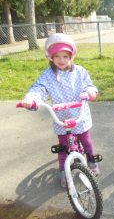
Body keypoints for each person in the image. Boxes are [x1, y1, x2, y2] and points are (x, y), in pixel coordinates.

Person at [21, 33, 100, 187]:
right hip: (62, 120)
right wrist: (32, 98)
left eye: (65, 56)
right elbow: (39, 88)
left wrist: (91, 91)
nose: (61, 60)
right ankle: (63, 171)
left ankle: (92, 162)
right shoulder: (48, 75)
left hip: (79, 116)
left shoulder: (80, 72)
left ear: (72, 56)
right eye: (57, 56)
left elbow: (89, 84)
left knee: (87, 142)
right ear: (51, 57)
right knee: (63, 148)